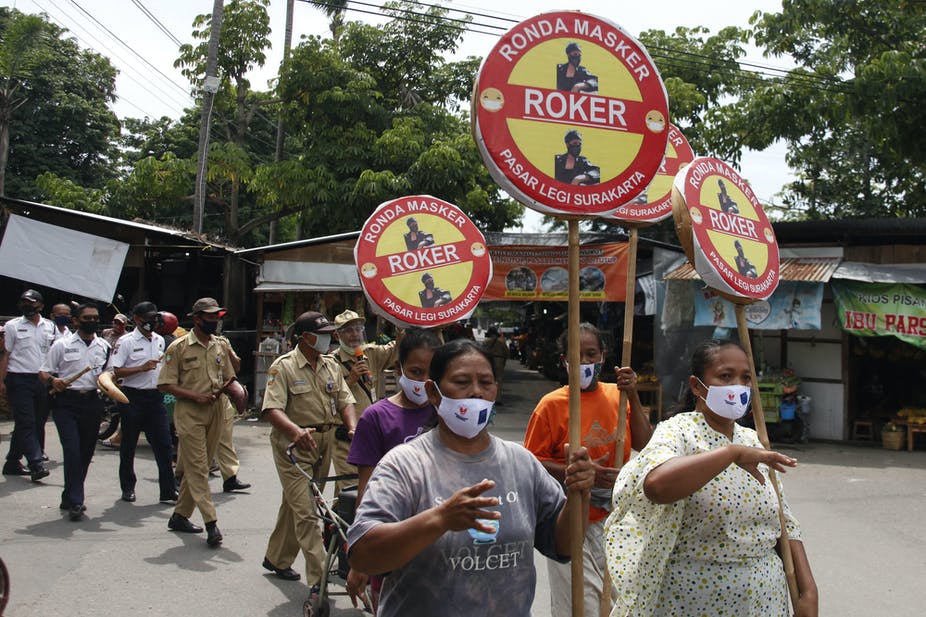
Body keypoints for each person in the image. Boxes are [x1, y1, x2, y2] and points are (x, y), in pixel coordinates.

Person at [347, 339, 596, 617]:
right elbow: (363, 554)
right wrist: (439, 519)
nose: (476, 392)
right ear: (434, 392)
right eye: (462, 381)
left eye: (486, 382)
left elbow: (563, 545)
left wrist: (579, 494)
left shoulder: (521, 463)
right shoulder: (405, 465)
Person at [603, 339, 818, 616]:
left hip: (765, 601)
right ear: (696, 386)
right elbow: (656, 486)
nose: (737, 386)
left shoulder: (753, 439)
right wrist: (730, 454)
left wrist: (808, 591)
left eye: (745, 378)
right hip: (692, 600)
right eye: (725, 376)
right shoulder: (676, 432)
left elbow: (783, 520)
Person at [524, 323, 653, 617]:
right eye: (575, 355)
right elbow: (532, 462)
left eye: (590, 354)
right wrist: (576, 471)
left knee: (620, 602)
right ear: (563, 361)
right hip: (569, 519)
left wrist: (632, 394)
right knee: (580, 607)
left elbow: (646, 443)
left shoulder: (618, 397)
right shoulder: (550, 406)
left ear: (603, 357)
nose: (583, 362)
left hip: (617, 519)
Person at [259, 311, 357, 603]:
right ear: (304, 338)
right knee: (307, 512)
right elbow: (270, 409)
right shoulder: (284, 367)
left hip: (324, 442)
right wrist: (295, 431)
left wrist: (352, 427)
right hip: (294, 445)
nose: (330, 337)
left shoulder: (331, 365)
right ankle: (319, 580)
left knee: (296, 500)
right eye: (323, 333)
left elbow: (345, 399)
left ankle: (277, 557)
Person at [344, 327, 441, 611]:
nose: (424, 381)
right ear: (398, 368)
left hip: (441, 541)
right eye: (415, 371)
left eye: (431, 373)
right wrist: (360, 558)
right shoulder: (376, 417)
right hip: (391, 540)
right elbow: (367, 490)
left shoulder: (448, 412)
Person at [157, 297, 235, 547]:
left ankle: (180, 516)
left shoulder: (219, 345)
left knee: (197, 466)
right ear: (198, 318)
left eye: (217, 317)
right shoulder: (178, 348)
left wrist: (234, 394)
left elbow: (229, 377)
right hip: (190, 413)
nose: (214, 321)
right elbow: (164, 384)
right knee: (200, 468)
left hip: (215, 411)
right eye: (210, 317)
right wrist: (195, 396)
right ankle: (211, 523)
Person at [39, 302, 110, 521]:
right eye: (87, 318)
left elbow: (110, 374)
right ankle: (77, 500)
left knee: (86, 452)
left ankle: (69, 494)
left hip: (92, 402)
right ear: (77, 320)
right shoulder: (62, 344)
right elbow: (43, 372)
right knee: (72, 450)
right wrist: (54, 380)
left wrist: (111, 384)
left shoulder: (104, 346)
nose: (92, 321)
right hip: (66, 403)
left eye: (95, 318)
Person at [106, 301, 177, 505]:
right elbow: (115, 371)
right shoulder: (126, 342)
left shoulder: (159, 340)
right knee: (129, 445)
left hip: (155, 398)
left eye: (155, 318)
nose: (152, 322)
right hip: (132, 397)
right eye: (147, 318)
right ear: (137, 319)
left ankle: (168, 490)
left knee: (164, 445)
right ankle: (128, 487)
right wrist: (140, 368)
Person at [332, 309, 398, 494]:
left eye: (357, 329)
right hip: (346, 437)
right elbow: (326, 399)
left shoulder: (371, 353)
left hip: (372, 434)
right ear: (338, 335)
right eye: (348, 330)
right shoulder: (331, 362)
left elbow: (397, 349)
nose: (354, 334)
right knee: (350, 488)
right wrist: (350, 380)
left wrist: (401, 321)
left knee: (367, 489)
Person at [1, 289, 56, 481]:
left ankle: (12, 462)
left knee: (33, 422)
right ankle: (35, 463)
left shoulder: (50, 327)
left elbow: (55, 353)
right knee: (27, 421)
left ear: (40, 305)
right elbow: (6, 354)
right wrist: (1, 381)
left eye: (31, 303)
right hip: (18, 379)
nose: (27, 306)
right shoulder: (12, 326)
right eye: (24, 302)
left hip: (42, 380)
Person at [481, 326, 509, 405]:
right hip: (499, 360)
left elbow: (482, 351)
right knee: (498, 380)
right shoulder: (501, 341)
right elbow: (507, 352)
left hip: (488, 361)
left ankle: (486, 397)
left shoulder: (486, 341)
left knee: (487, 379)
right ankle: (497, 399)